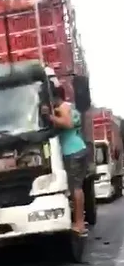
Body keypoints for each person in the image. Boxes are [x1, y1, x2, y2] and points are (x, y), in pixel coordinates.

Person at [45, 86, 88, 236]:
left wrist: (50, 117)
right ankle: (80, 220)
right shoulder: (70, 106)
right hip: (79, 147)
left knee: (75, 188)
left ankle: (79, 224)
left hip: (71, 151)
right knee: (78, 187)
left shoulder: (62, 107)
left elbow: (68, 123)